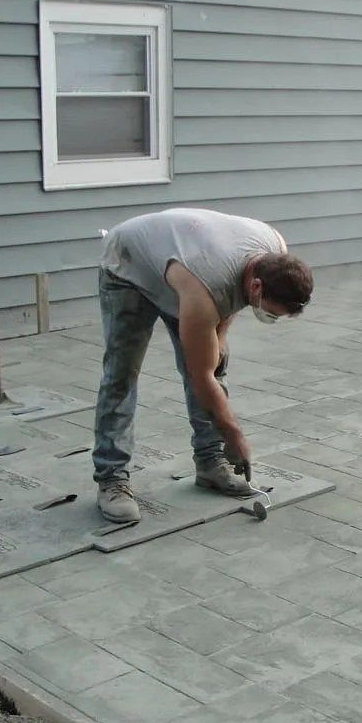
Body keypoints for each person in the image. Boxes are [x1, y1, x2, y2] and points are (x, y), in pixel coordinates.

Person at [92, 208, 314, 524]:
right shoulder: (204, 289)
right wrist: (234, 435)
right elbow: (201, 377)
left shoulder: (274, 248)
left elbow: (233, 296)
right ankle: (112, 479)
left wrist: (219, 336)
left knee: (216, 359)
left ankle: (211, 463)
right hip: (129, 264)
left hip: (187, 267)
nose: (270, 317)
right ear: (257, 286)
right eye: (271, 312)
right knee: (122, 374)